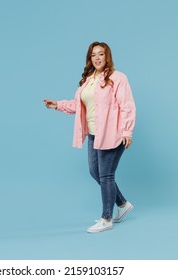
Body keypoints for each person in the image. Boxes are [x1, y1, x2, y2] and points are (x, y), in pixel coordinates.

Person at [43, 41, 136, 233]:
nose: (97, 58)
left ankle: (106, 218)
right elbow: (80, 106)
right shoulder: (88, 80)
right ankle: (122, 204)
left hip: (112, 133)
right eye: (93, 55)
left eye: (101, 54)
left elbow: (127, 105)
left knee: (106, 175)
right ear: (89, 58)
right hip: (94, 134)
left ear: (107, 56)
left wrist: (127, 131)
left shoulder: (118, 78)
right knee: (95, 172)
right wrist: (58, 104)